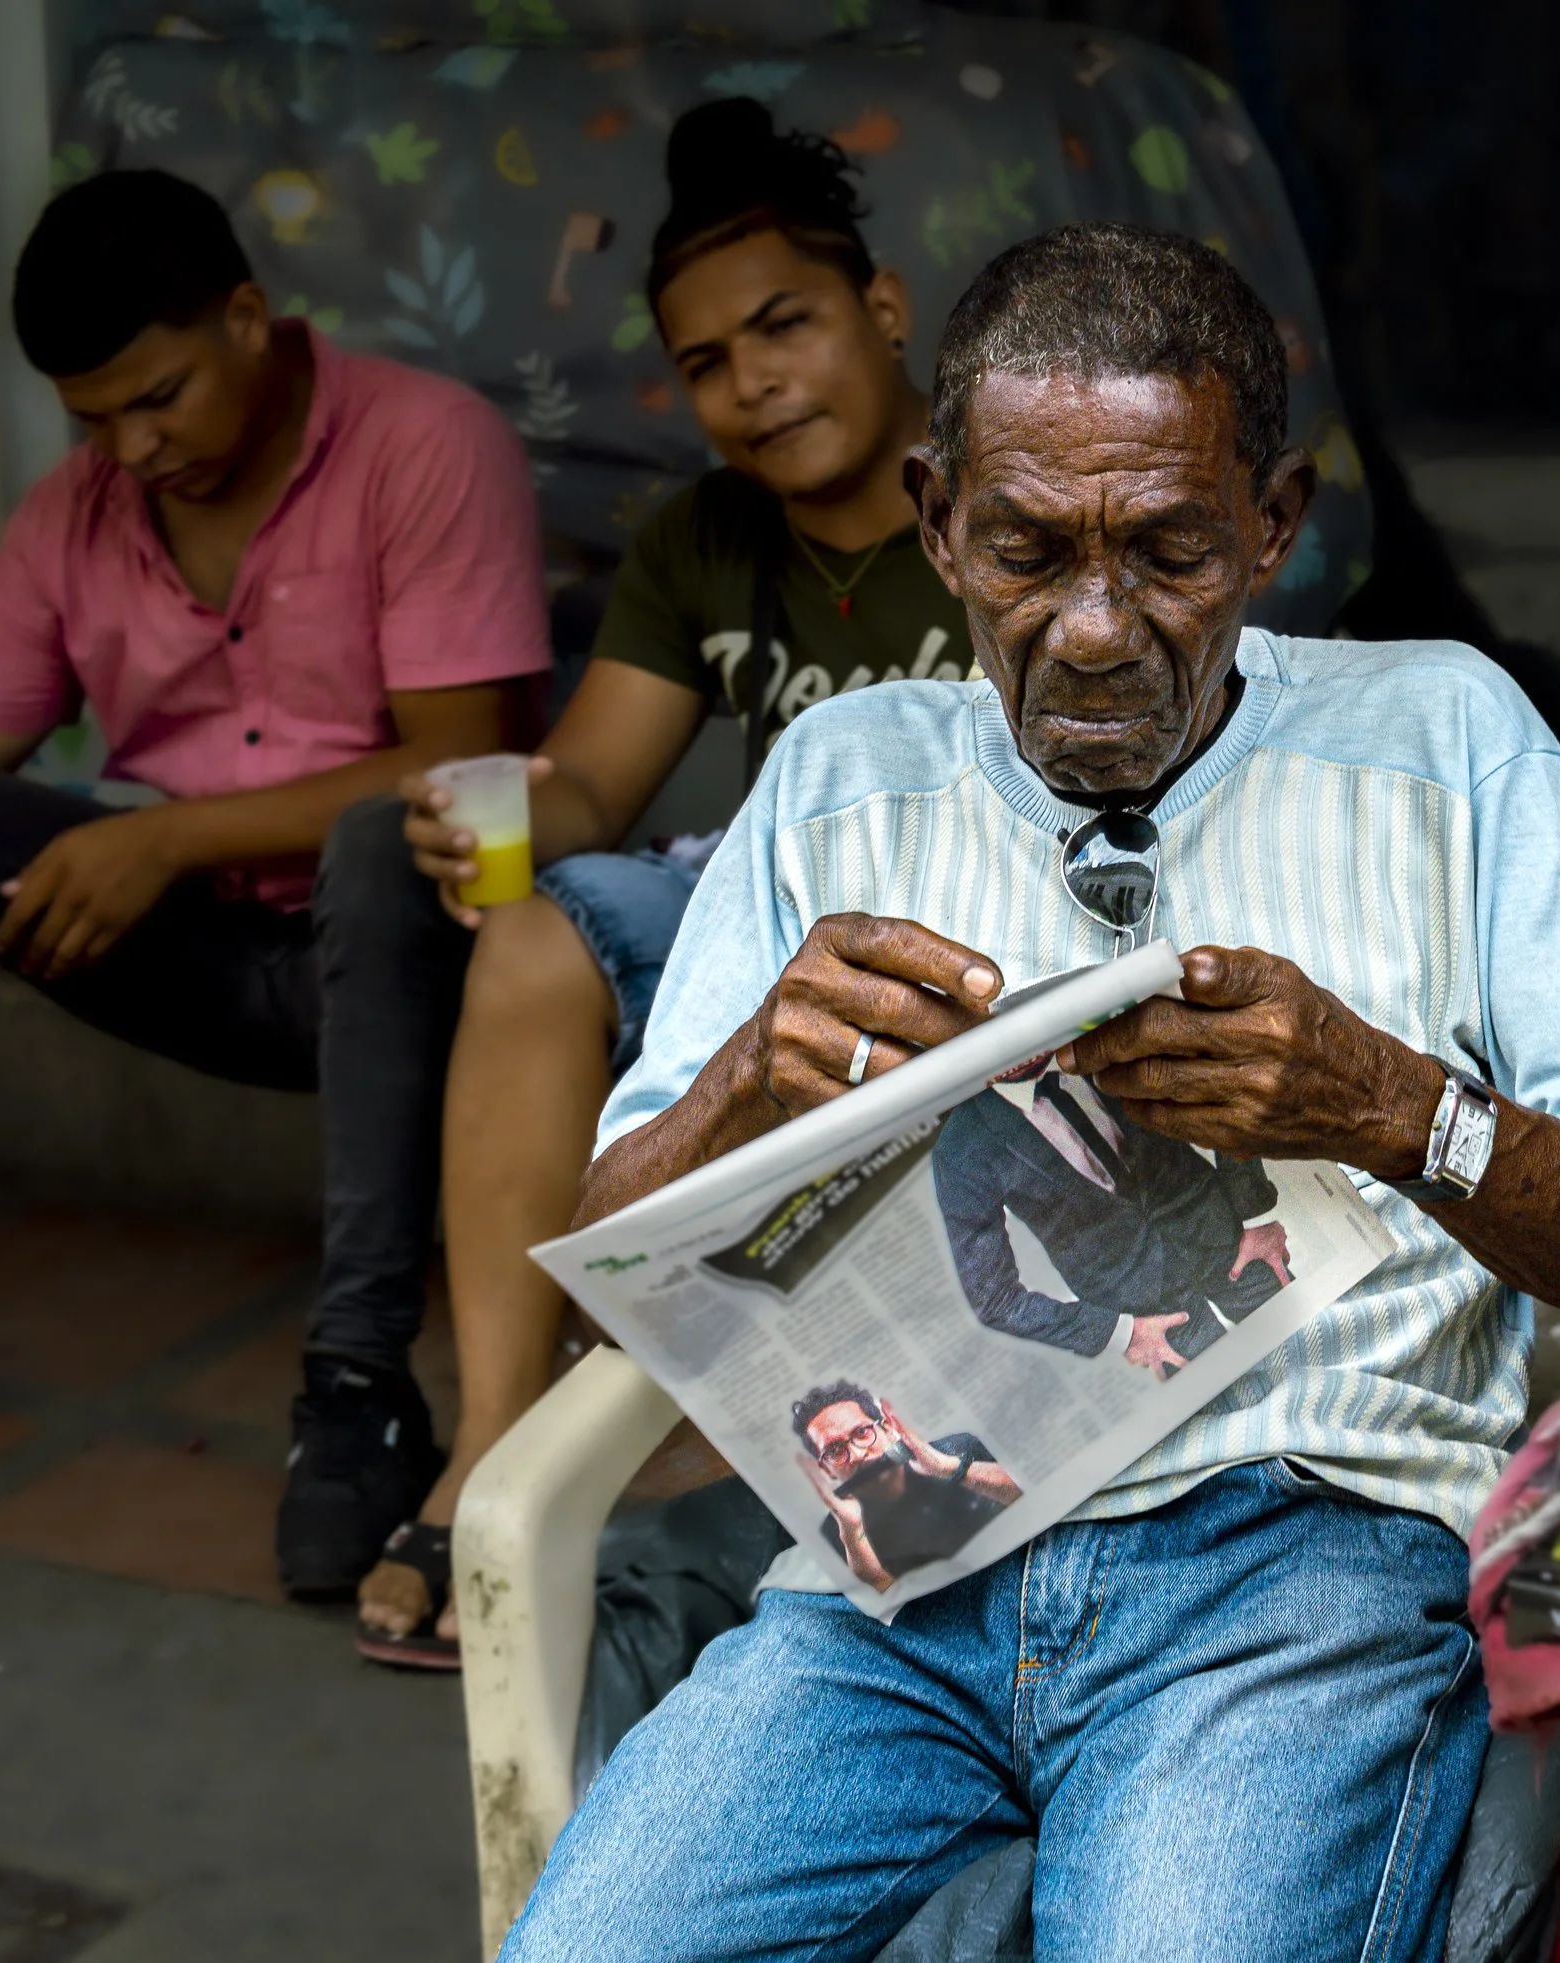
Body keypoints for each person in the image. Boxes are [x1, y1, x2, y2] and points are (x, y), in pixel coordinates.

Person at [500, 222, 1560, 1963]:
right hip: (893, 1586)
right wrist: (748, 1089)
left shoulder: (1444, 737)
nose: (1089, 628)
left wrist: (1393, 1108)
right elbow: (613, 1280)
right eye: (1025, 550)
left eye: (1168, 551)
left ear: (1273, 525)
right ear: (938, 521)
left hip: (1294, 1567)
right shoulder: (841, 779)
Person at [355, 101, 969, 1667]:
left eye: (786, 324)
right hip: (755, 931)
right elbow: (591, 787)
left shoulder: (1000, 496)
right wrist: (489, 808)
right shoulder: (707, 537)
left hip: (965, 952)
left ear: (883, 308)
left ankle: (732, 1467)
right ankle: (498, 1451)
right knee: (535, 931)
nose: (751, 379)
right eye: (706, 361)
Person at [0, 170, 549, 1598]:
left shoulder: (426, 445)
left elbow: (462, 760)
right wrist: (133, 854)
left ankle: (359, 1383)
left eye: (158, 398)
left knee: (381, 845)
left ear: (245, 318)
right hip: (194, 956)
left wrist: (164, 839)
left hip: (418, 955)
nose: (132, 447)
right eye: (94, 419)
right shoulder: (75, 512)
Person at [933, 1055, 1291, 1377]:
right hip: (1147, 1310)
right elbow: (995, 1300)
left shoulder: (1101, 1037)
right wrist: (1119, 1333)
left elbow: (1222, 1083)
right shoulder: (959, 1147)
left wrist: (1256, 1212)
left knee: (1309, 1342)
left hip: (1227, 1241)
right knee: (1238, 1409)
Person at [793, 1383, 1022, 1591]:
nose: (857, 1454)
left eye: (861, 1433)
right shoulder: (837, 1529)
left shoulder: (957, 1449)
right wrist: (852, 1533)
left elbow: (1024, 1496)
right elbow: (883, 1592)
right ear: (826, 1469)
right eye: (834, 1451)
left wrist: (951, 1468)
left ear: (887, 1429)